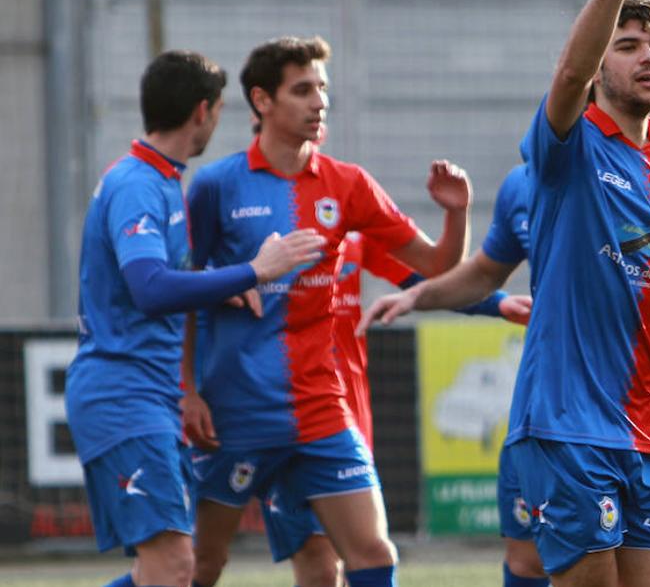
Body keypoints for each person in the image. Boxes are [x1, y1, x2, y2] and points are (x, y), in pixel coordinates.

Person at [362, 168, 650, 587]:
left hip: (642, 419)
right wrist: (423, 295)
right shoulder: (526, 185)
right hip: (555, 418)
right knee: (528, 562)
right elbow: (489, 271)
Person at [180, 35, 470, 587]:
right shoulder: (216, 186)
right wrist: (186, 390)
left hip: (320, 405)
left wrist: (456, 216)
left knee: (373, 555)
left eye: (323, 89)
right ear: (262, 101)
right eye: (303, 90)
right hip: (234, 412)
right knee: (198, 565)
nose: (320, 102)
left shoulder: (349, 183)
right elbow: (180, 290)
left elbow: (436, 266)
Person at [66, 50, 325, 587]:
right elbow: (150, 287)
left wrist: (216, 292)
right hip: (123, 396)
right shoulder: (138, 184)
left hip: (146, 397)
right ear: (202, 112)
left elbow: (155, 282)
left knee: (163, 570)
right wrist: (254, 271)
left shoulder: (162, 180)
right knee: (176, 566)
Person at [260, 225, 532, 587]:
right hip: (286, 419)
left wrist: (494, 302)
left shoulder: (347, 214)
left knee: (370, 555)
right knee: (320, 566)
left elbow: (422, 276)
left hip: (346, 423)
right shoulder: (249, 212)